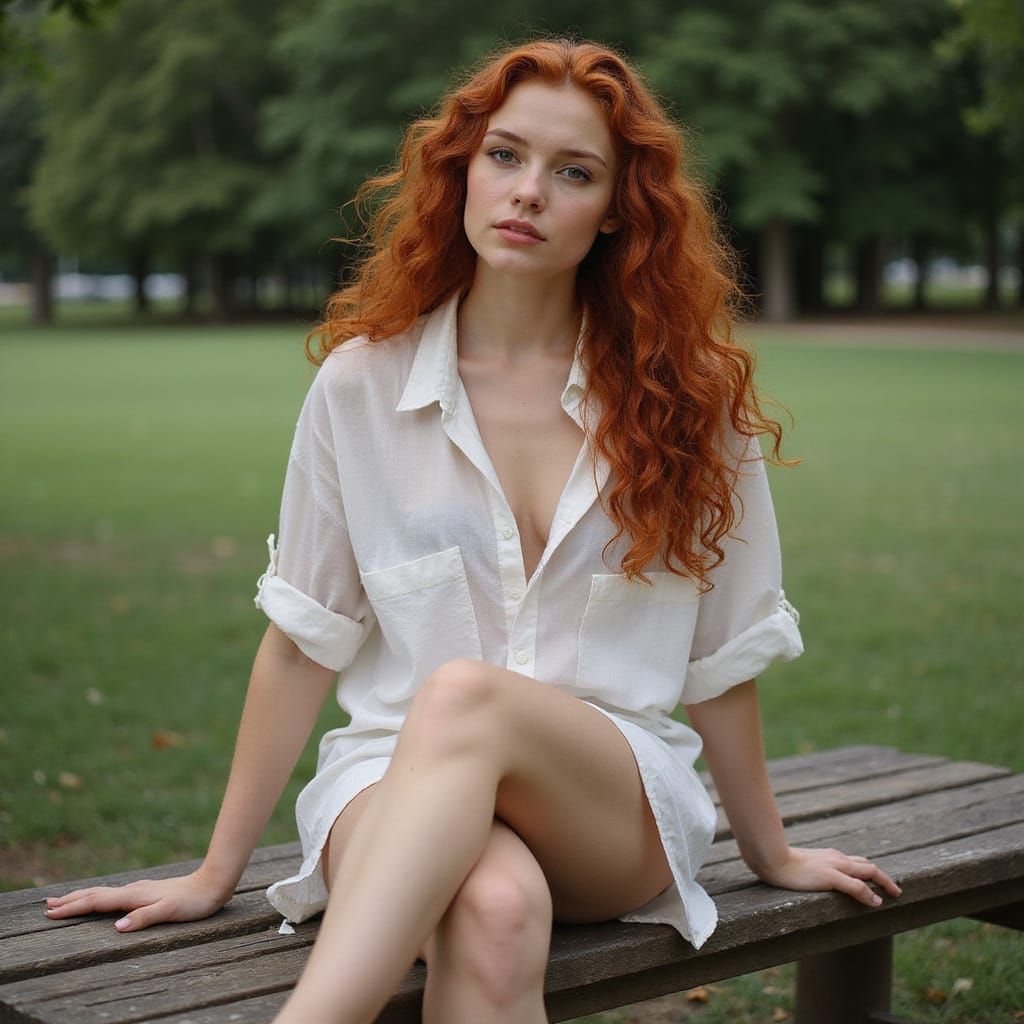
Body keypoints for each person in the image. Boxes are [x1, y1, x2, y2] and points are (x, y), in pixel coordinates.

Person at [43, 36, 901, 1024]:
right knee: (493, 912)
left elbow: (720, 661)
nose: (528, 190)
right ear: (462, 170)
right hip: (389, 778)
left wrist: (772, 853)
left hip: (607, 797)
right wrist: (213, 872)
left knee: (463, 697)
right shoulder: (361, 386)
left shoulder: (689, 402)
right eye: (505, 155)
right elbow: (301, 640)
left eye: (572, 171)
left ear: (618, 207)